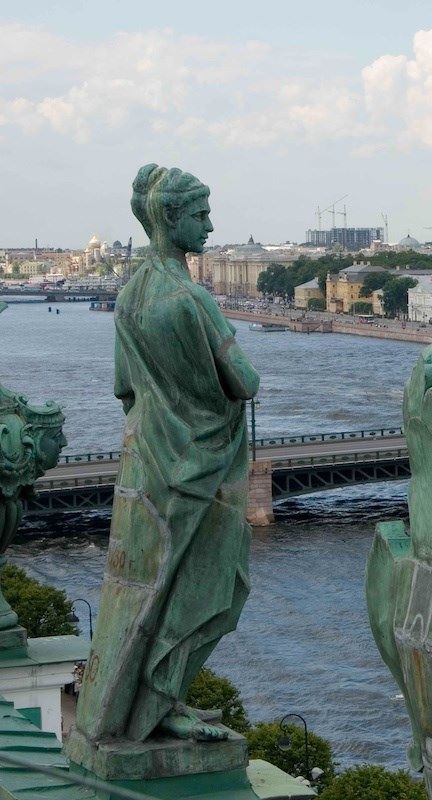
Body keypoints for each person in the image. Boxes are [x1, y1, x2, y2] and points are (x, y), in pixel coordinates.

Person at [72, 164, 259, 745]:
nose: (210, 224)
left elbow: (124, 387)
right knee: (200, 587)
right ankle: (158, 704)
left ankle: (123, 713)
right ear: (171, 218)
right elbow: (245, 382)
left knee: (144, 588)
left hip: (147, 459)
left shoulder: (130, 294)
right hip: (200, 472)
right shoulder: (190, 298)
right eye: (201, 214)